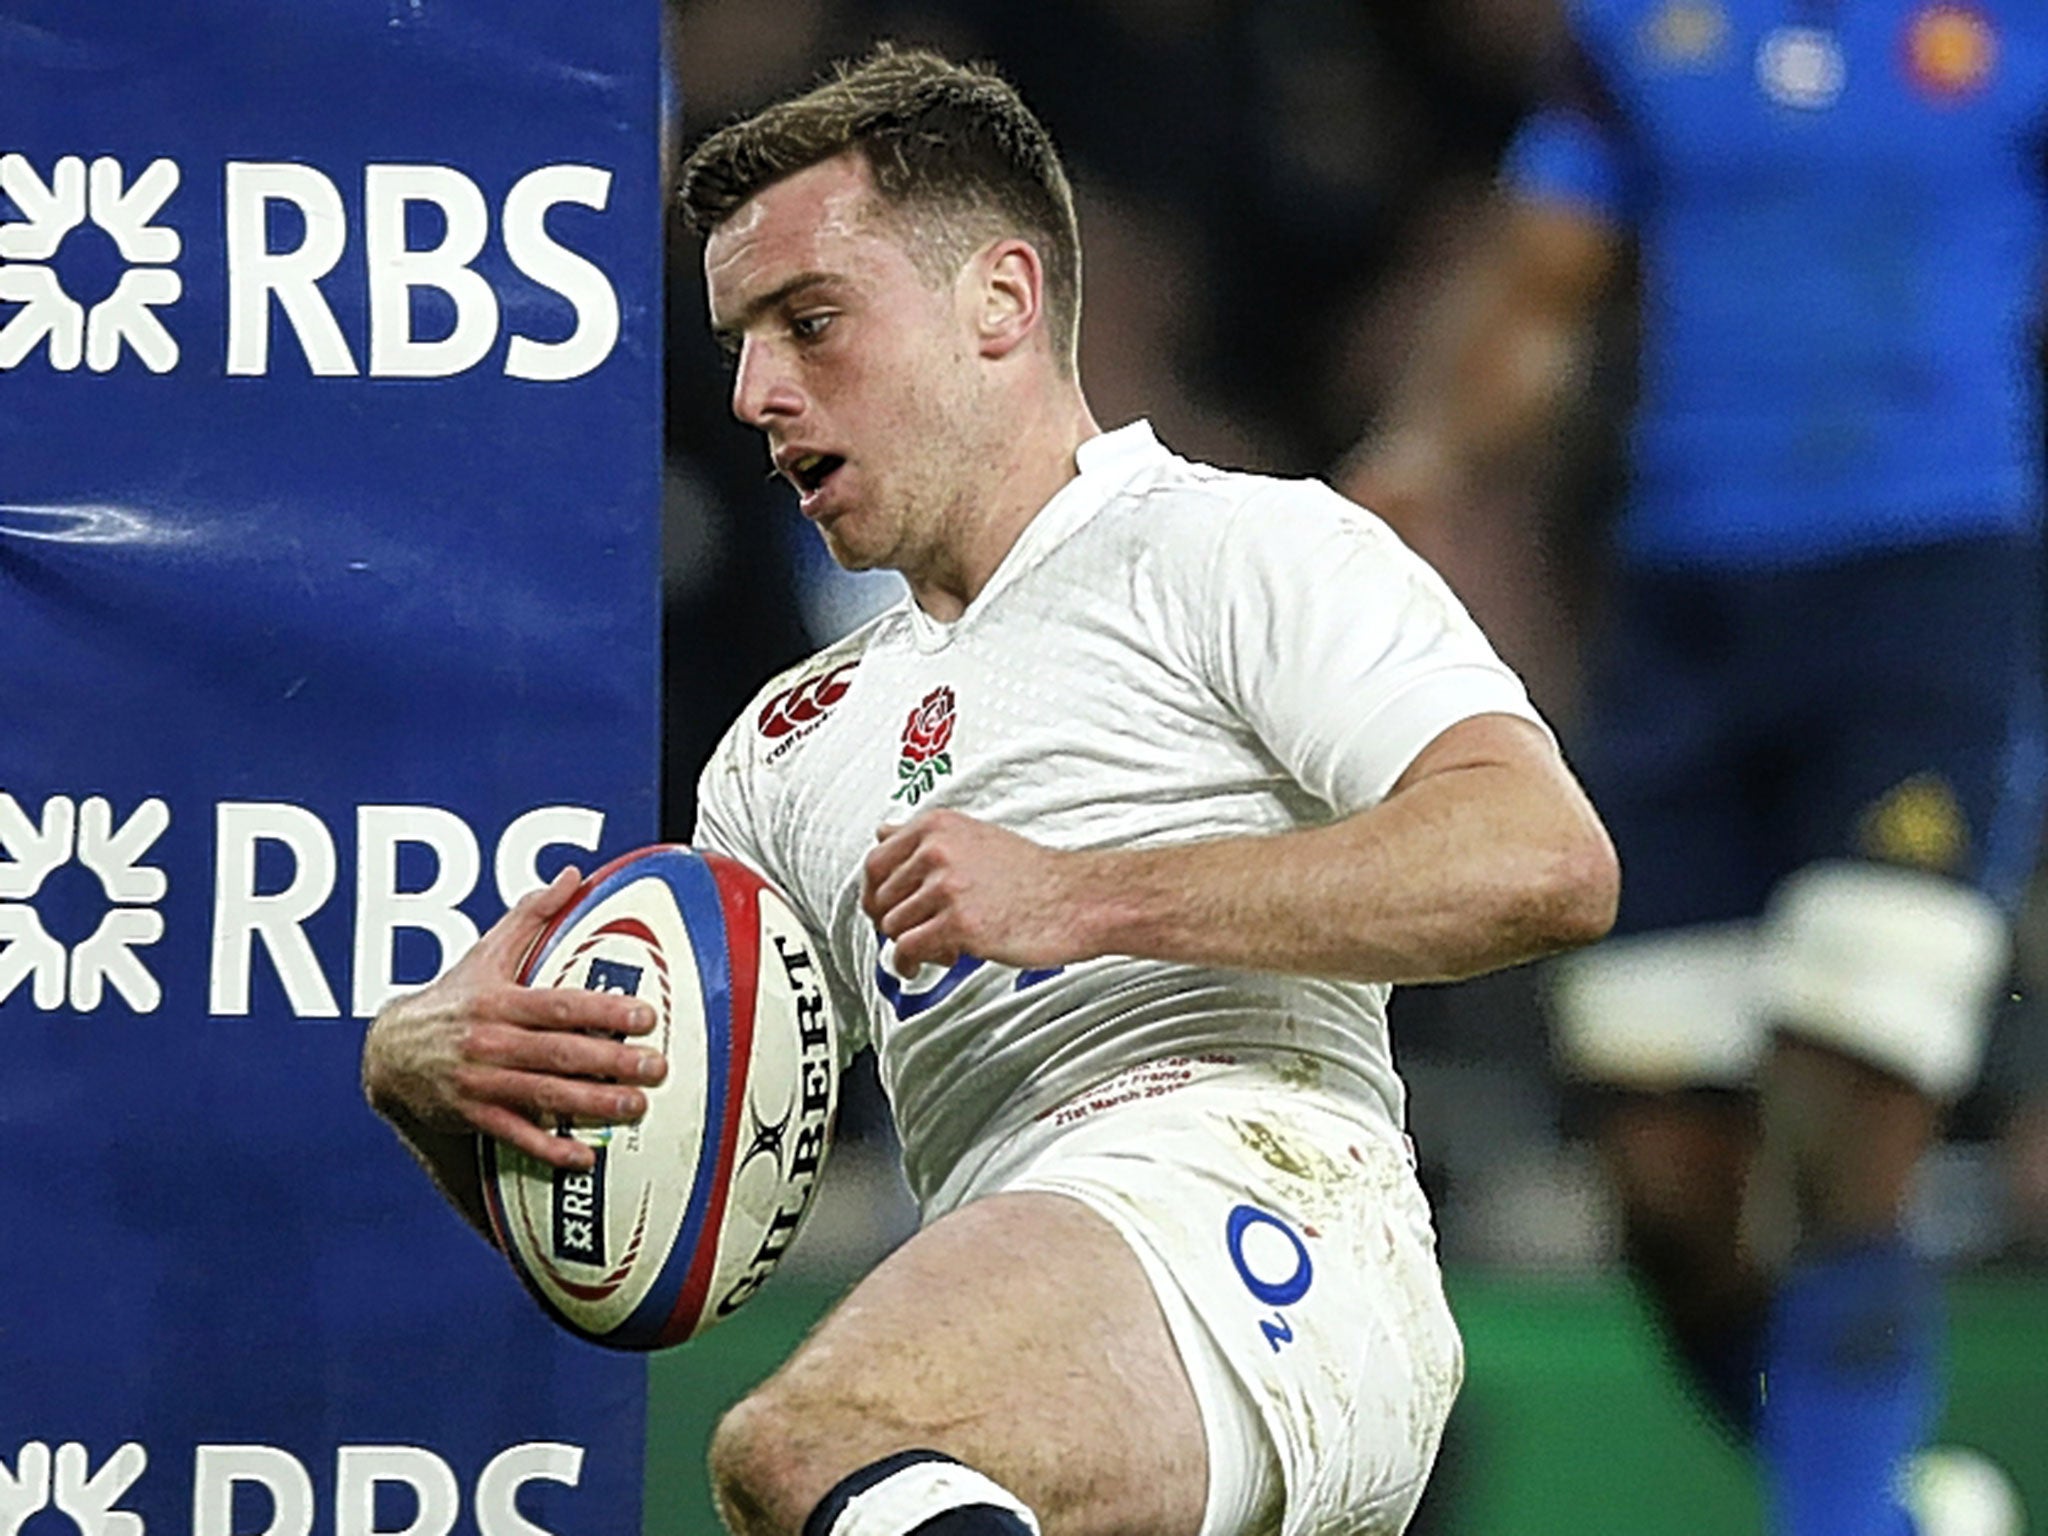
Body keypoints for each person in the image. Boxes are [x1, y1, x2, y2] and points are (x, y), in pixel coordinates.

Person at [361, 45, 1618, 1536]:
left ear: (1001, 303)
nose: (760, 391)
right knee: (843, 1472)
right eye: (739, 343)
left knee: (813, 1441)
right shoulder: (780, 748)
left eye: (809, 322)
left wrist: (1089, 893)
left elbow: (1542, 857)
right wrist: (457, 1096)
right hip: (1045, 1336)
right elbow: (664, 1261)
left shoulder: (1239, 548)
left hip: (1261, 1217)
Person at [1342, 5, 2048, 1534]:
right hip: (1689, 616)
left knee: (1855, 1054)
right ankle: (1891, 1503)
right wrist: (1419, 466)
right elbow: (1543, 282)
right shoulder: (1643, 36)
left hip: (1931, 584)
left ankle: (1841, 1512)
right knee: (1666, 1179)